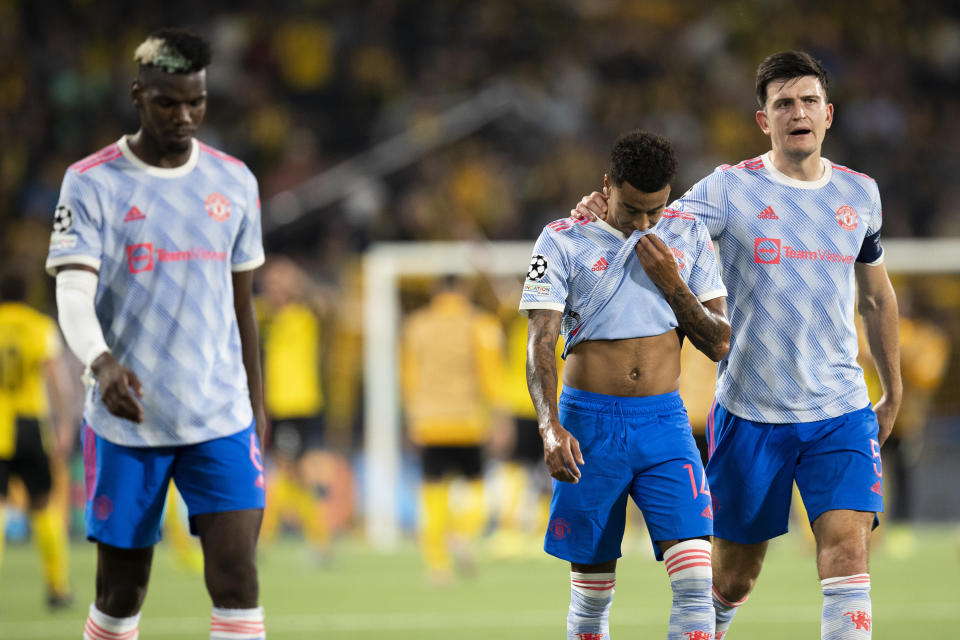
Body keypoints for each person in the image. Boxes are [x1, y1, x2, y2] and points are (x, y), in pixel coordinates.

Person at [572, 51, 902, 639]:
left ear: (828, 114)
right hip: (752, 413)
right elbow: (652, 224)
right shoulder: (729, 188)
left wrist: (893, 391)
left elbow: (877, 297)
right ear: (764, 120)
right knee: (733, 579)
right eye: (783, 104)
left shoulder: (861, 196)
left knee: (847, 558)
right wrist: (601, 212)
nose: (796, 112)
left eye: (806, 101)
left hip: (841, 411)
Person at [45, 29, 268, 640]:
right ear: (138, 96)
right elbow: (71, 292)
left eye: (196, 102)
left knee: (238, 582)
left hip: (220, 418)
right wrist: (101, 361)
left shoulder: (234, 182)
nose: (185, 116)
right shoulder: (92, 182)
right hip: (127, 420)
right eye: (169, 102)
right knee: (120, 594)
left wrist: (258, 404)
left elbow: (242, 306)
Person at [523, 130, 730, 640]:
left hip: (664, 423)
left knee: (696, 582)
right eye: (631, 209)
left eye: (654, 211)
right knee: (591, 600)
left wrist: (673, 284)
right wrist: (550, 429)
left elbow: (720, 341)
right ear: (607, 185)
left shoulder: (686, 235)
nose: (642, 224)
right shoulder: (562, 237)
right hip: (588, 425)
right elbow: (540, 342)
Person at [400, 276, 506, 585]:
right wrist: (499, 416)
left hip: (430, 422)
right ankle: (462, 533)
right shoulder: (480, 324)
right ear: (463, 291)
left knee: (433, 495)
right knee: (477, 486)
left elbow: (408, 377)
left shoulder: (416, 326)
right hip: (468, 421)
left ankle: (437, 567)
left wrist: (411, 417)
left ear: (435, 292)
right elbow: (490, 374)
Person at [0, 270, 75, 608]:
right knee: (43, 504)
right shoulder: (40, 326)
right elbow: (56, 380)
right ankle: (57, 588)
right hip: (31, 424)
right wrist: (63, 424)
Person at [258, 256, 333, 564]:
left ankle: (265, 538)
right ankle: (319, 542)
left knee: (285, 471)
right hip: (280, 405)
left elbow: (328, 302)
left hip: (298, 403)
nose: (275, 289)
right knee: (295, 474)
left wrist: (298, 281)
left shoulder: (307, 314)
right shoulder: (267, 317)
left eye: (281, 284)